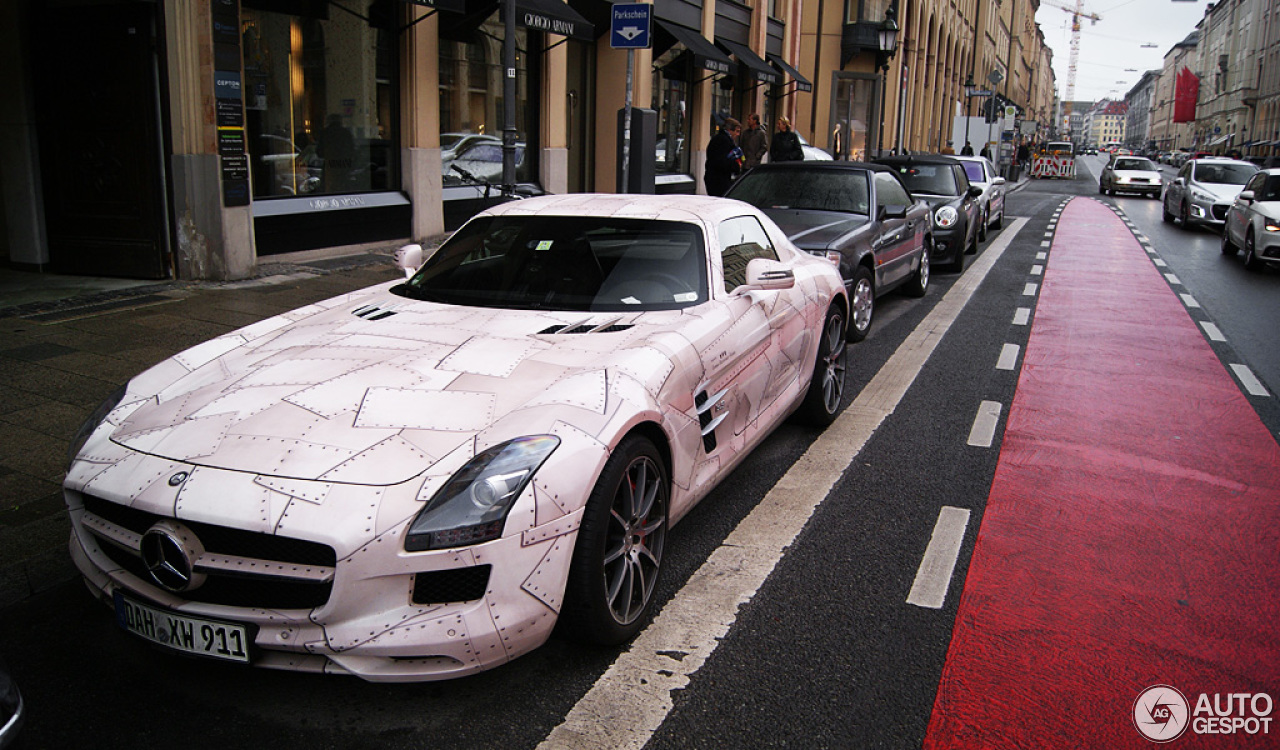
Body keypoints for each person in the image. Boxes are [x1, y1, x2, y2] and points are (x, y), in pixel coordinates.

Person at [704, 117, 743, 196]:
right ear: (730, 130)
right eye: (737, 131)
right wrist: (736, 166)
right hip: (719, 180)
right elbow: (722, 162)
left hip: (715, 178)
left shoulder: (718, 139)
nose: (738, 134)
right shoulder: (724, 141)